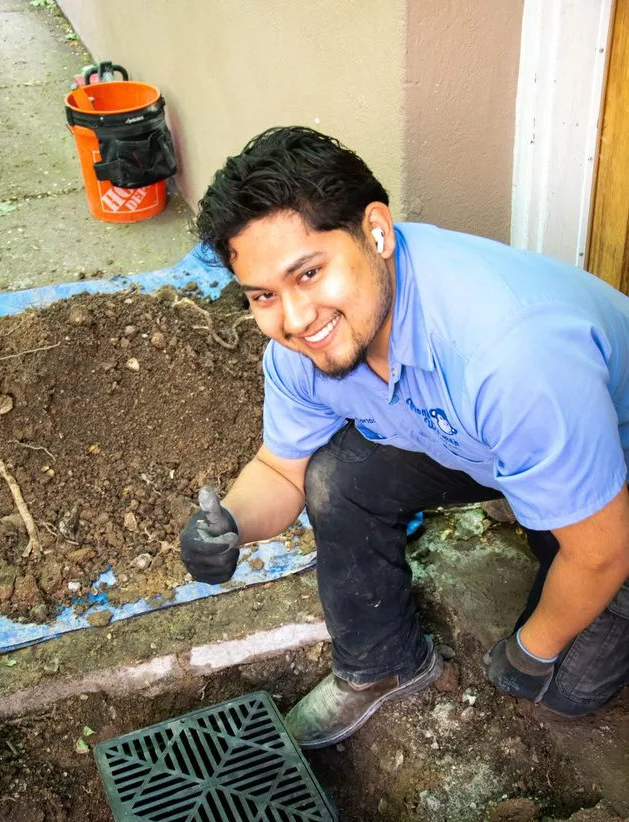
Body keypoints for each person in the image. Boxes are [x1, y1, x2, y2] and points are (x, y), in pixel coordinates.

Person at [180, 126, 629, 749]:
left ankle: (547, 540)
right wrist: (231, 523)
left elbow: (603, 550)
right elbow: (282, 470)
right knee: (336, 477)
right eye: (264, 295)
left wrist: (532, 650)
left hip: (609, 465)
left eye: (308, 273)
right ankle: (382, 663)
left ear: (377, 231)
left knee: (565, 689)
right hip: (486, 437)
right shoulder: (302, 348)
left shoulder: (510, 355)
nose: (295, 318)